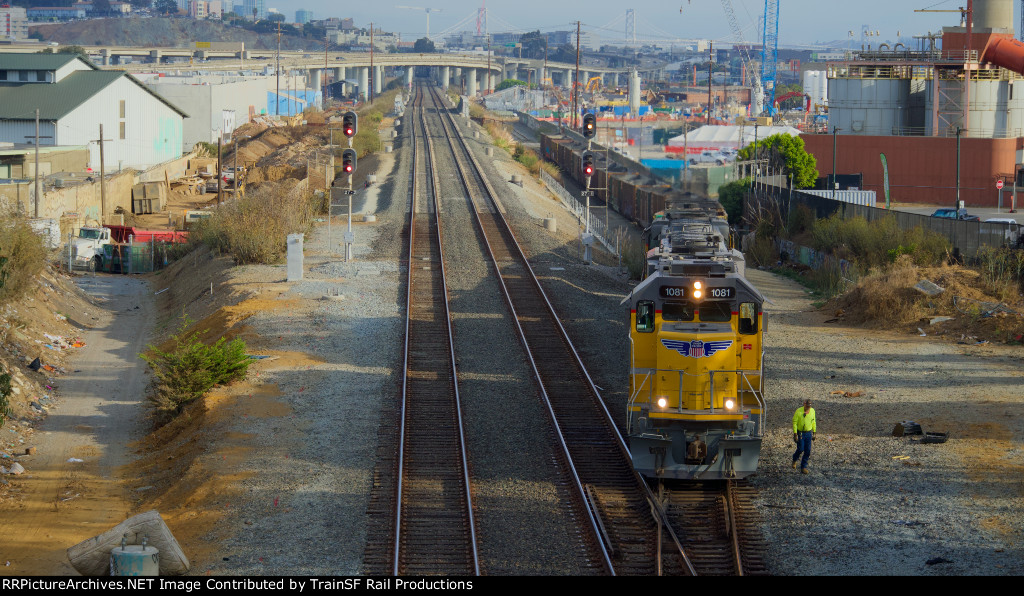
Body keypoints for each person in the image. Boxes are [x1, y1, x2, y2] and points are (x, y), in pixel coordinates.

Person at [792, 399, 816, 474]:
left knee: (808, 450)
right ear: (804, 404)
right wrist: (795, 434)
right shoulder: (798, 411)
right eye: (807, 406)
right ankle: (794, 459)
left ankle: (803, 466)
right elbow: (794, 422)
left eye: (809, 406)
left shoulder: (812, 411)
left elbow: (813, 421)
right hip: (800, 433)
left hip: (808, 433)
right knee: (800, 448)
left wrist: (814, 432)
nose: (808, 408)